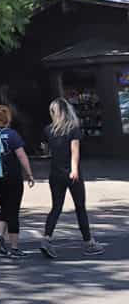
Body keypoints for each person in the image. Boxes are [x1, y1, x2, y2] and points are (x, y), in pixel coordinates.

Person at [39, 98, 105, 258]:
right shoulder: (73, 129)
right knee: (80, 207)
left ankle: (46, 239)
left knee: (56, 207)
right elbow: (75, 151)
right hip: (71, 173)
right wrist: (74, 170)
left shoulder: (48, 130)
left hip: (55, 173)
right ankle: (89, 243)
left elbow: (45, 149)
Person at [0, 105, 35, 257]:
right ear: (7, 119)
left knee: (5, 207)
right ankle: (15, 247)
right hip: (11, 177)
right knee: (13, 211)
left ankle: (0, 235)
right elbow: (21, 155)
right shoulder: (11, 135)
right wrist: (29, 174)